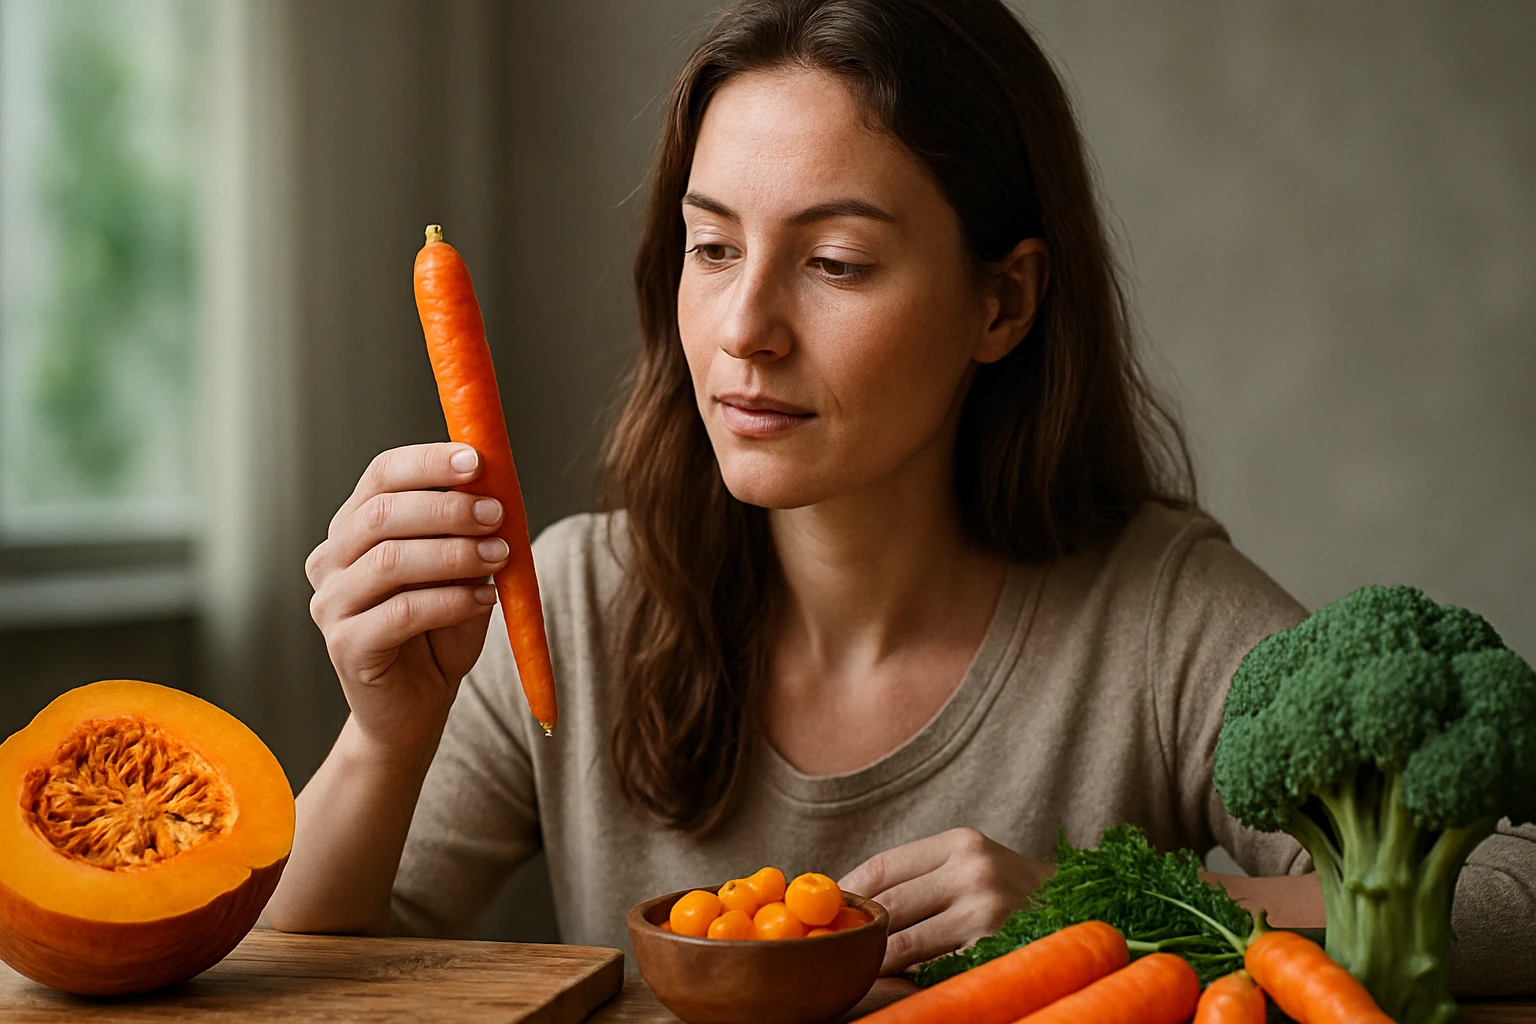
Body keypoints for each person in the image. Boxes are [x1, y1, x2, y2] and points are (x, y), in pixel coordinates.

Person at [265, 0, 1534, 990]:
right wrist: (385, 740)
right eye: (713, 247)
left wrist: (1111, 905)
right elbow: (278, 972)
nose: (744, 328)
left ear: (1003, 302)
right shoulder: (586, 600)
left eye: (834, 261)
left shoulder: (1155, 612)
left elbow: (1516, 894)